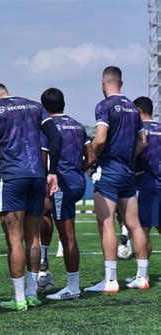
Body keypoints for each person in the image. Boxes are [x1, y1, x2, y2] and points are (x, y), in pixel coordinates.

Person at [0, 82, 61, 311]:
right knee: (33, 237)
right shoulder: (35, 106)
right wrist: (52, 172)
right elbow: (56, 137)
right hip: (37, 177)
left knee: (14, 238)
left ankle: (19, 298)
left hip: (12, 177)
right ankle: (32, 294)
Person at [86, 66, 149, 293]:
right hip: (128, 172)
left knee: (106, 224)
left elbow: (100, 139)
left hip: (109, 171)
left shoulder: (104, 106)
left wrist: (89, 158)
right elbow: (143, 141)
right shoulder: (133, 108)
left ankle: (111, 280)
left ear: (104, 83)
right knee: (134, 224)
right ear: (120, 83)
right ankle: (142, 276)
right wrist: (128, 158)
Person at [39, 88, 96, 300]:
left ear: (44, 107)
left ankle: (73, 288)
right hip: (77, 183)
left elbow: (43, 161)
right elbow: (91, 156)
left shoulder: (46, 127)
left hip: (60, 184)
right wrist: (77, 170)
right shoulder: (77, 125)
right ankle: (44, 261)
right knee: (47, 215)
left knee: (67, 236)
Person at [124, 96, 161, 283]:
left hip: (147, 185)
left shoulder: (138, 131)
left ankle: (142, 274)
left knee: (143, 230)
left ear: (138, 111)